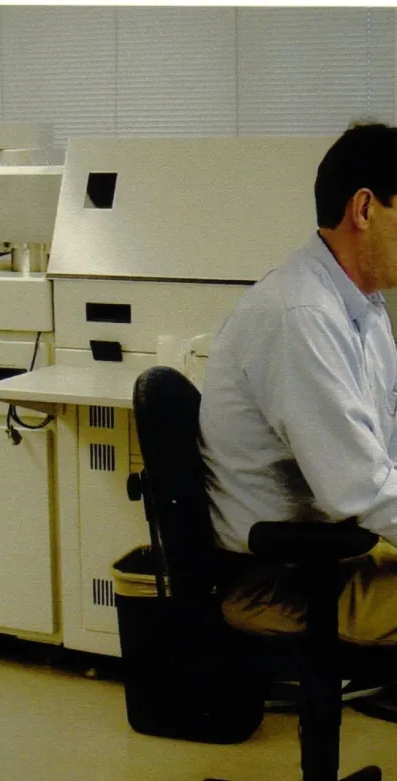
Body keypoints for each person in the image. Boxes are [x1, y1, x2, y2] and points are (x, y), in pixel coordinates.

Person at [199, 121, 397, 646]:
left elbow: (385, 454)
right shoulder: (301, 314)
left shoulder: (363, 308)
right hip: (283, 579)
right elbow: (362, 490)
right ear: (364, 208)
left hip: (335, 550)